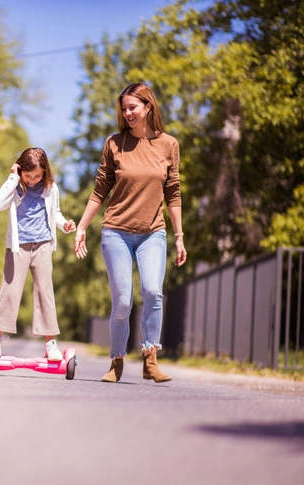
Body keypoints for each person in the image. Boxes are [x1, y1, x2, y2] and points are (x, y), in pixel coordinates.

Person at [73, 82, 187, 383]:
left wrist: (179, 236)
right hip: (116, 232)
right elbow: (100, 190)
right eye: (124, 109)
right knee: (122, 301)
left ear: (148, 106)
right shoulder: (114, 143)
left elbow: (173, 193)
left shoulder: (168, 145)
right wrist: (82, 226)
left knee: (153, 291)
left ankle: (151, 359)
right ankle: (117, 360)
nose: (127, 113)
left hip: (153, 233)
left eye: (132, 107)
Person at [0, 147, 76, 361]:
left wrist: (64, 225)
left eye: (38, 176)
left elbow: (55, 213)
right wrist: (12, 177)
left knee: (45, 291)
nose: (33, 180)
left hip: (43, 244)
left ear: (45, 172)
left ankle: (50, 342)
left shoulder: (51, 188)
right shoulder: (15, 186)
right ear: (20, 170)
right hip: (18, 246)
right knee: (10, 289)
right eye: (28, 176)